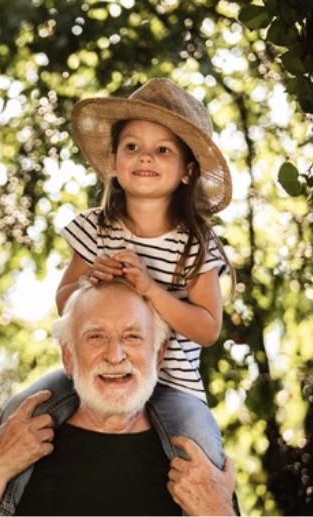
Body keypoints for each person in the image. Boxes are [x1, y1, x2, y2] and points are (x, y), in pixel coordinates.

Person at [40, 78, 235, 477]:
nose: (145, 157)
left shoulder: (194, 244)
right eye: (132, 147)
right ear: (114, 162)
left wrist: (150, 290)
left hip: (173, 388)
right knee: (24, 411)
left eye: (163, 150)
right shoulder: (95, 228)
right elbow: (63, 301)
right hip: (95, 373)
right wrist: (88, 284)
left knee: (200, 447)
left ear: (187, 171)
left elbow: (208, 329)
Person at [0, 279, 238, 516]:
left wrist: (218, 512)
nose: (115, 355)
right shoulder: (18, 441)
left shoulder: (197, 466)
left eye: (133, 336)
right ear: (68, 356)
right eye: (96, 336)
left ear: (158, 354)